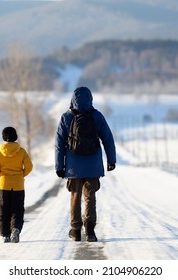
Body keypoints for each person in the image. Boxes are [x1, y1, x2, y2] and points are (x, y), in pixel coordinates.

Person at [55, 86, 116, 242]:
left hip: (73, 166)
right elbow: (108, 139)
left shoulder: (66, 117)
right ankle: (89, 230)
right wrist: (111, 160)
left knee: (75, 196)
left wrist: (59, 166)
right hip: (93, 164)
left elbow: (59, 144)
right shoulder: (97, 116)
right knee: (90, 197)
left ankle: (75, 231)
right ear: (90, 99)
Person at [0, 126, 33, 243]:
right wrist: (22, 175)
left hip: (3, 185)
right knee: (17, 210)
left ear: (3, 137)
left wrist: (0, 175)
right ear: (16, 136)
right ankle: (15, 228)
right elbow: (29, 166)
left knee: (4, 210)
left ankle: (5, 235)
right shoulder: (21, 151)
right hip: (18, 185)